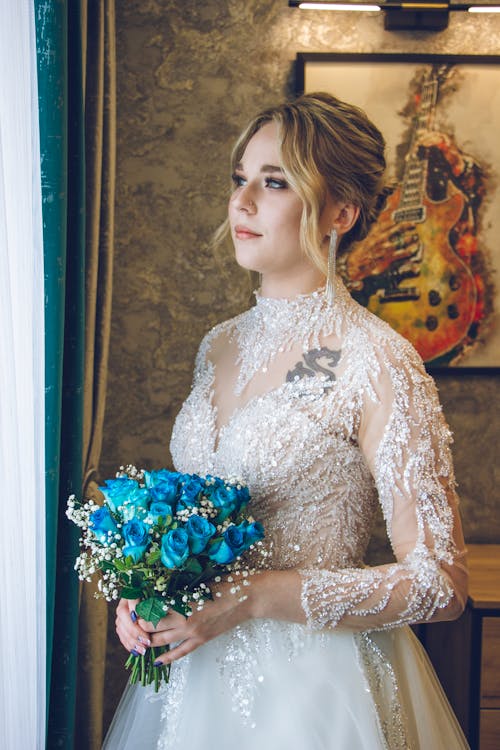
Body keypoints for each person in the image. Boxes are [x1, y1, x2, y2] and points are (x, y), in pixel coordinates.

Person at [104, 92, 469, 749]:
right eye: (239, 179)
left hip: (316, 699)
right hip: (191, 686)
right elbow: (200, 518)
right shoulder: (218, 344)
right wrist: (148, 593)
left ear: (340, 212)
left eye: (273, 183)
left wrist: (252, 596)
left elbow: (440, 584)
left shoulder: (378, 360)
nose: (241, 203)